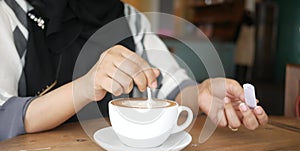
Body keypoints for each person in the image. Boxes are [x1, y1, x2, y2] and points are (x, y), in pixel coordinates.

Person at [0, 0, 268, 141]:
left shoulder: (128, 17)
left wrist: (200, 93)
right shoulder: (11, 10)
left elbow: (173, 90)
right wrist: (84, 87)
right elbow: (3, 117)